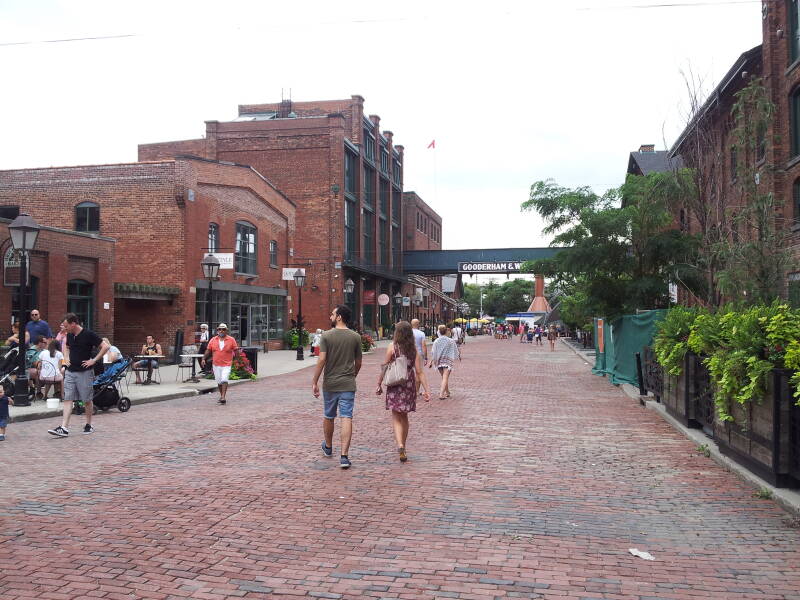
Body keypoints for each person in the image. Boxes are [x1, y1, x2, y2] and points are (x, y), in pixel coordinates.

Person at [311, 305, 362, 469]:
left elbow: (321, 360)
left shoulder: (327, 336)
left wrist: (314, 381)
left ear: (339, 317)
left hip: (330, 383)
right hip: (348, 383)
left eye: (332, 314)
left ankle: (328, 446)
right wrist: (352, 376)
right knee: (346, 416)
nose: (330, 317)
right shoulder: (355, 337)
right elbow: (359, 362)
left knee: (329, 415)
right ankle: (344, 456)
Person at [47, 313, 109, 437]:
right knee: (68, 398)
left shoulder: (89, 334)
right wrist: (66, 357)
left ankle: (88, 424)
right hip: (70, 371)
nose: (64, 328)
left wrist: (94, 360)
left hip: (85, 372)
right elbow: (67, 347)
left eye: (66, 326)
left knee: (86, 400)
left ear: (73, 324)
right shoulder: (69, 335)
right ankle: (64, 427)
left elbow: (105, 346)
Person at [376, 320, 431, 463]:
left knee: (396, 416)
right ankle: (404, 446)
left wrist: (379, 384)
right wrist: (426, 390)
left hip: (395, 383)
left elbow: (385, 367)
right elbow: (420, 372)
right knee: (404, 416)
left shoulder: (392, 347)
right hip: (408, 383)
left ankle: (399, 444)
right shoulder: (414, 350)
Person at [201, 323, 239, 405]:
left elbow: (236, 351)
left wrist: (236, 361)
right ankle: (222, 395)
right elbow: (208, 350)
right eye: (219, 329)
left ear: (226, 331)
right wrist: (204, 358)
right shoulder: (213, 340)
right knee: (219, 381)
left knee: (224, 379)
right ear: (217, 330)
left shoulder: (231, 340)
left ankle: (223, 397)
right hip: (216, 364)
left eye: (223, 329)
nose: (221, 331)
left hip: (227, 364)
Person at [429, 324, 460, 400]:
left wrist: (431, 361)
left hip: (439, 361)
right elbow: (455, 350)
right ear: (446, 331)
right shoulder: (451, 341)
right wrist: (457, 356)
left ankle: (447, 392)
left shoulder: (436, 341)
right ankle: (441, 394)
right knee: (445, 377)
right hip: (447, 361)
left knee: (444, 377)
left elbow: (433, 352)